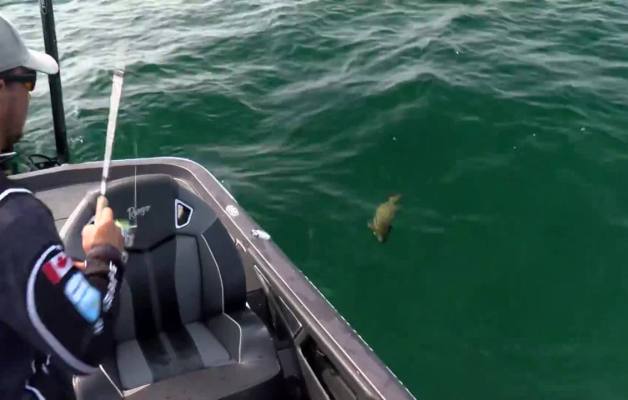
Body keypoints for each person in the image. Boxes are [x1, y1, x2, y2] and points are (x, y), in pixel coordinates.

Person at [0, 14, 126, 399]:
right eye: (28, 81)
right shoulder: (15, 221)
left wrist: (45, 270)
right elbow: (88, 338)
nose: (29, 96)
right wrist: (105, 254)